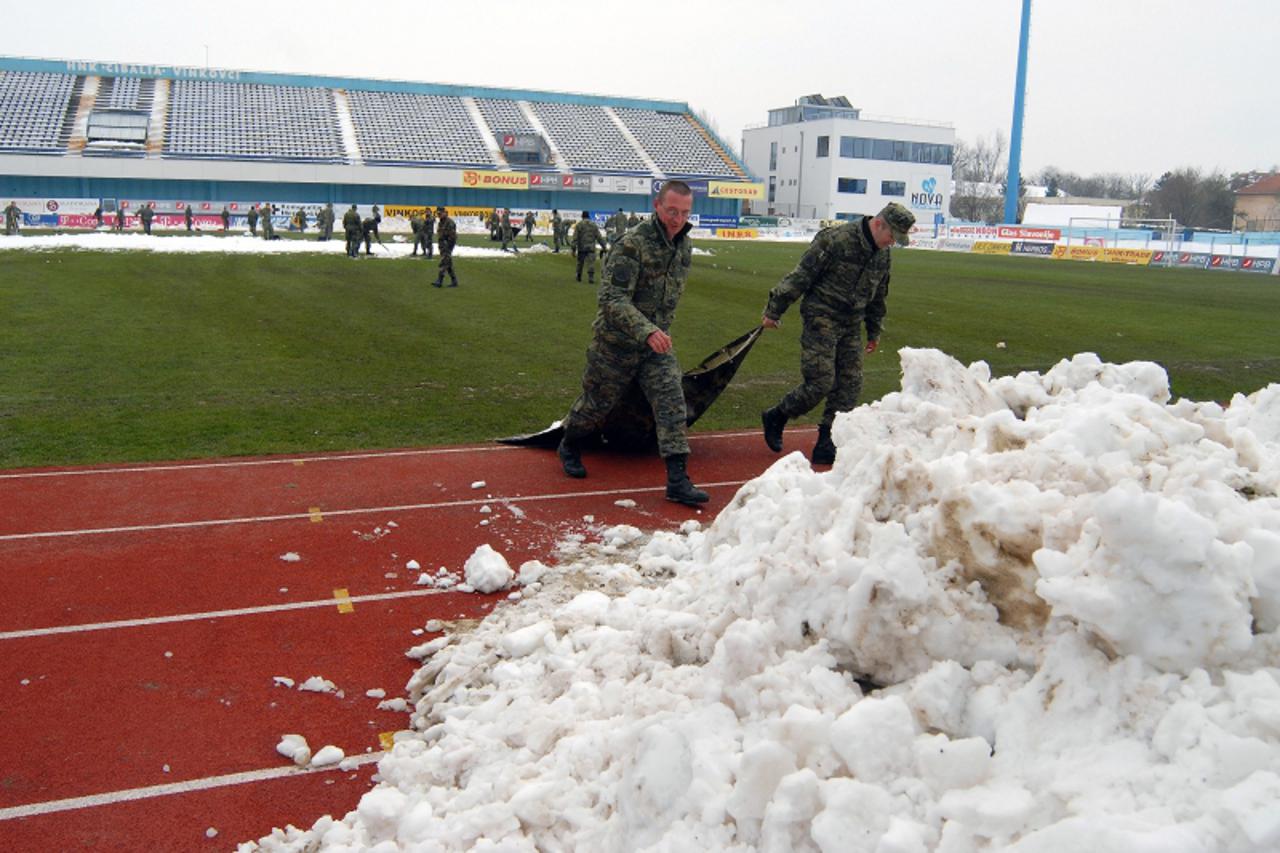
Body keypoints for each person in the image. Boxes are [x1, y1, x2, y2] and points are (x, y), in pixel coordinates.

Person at [556, 180, 708, 507]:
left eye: (684, 212)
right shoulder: (632, 244)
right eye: (671, 211)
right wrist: (646, 330)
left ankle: (677, 479)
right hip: (615, 345)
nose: (678, 218)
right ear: (657, 206)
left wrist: (656, 333)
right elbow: (611, 298)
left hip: (654, 348)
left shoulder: (684, 246)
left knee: (672, 401)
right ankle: (570, 443)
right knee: (596, 406)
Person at [760, 202, 915, 465]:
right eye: (891, 236)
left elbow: (878, 296)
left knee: (849, 385)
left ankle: (826, 441)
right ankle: (778, 415)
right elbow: (801, 275)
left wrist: (874, 330)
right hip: (822, 314)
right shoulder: (837, 240)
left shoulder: (882, 254)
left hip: (851, 322)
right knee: (820, 382)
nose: (892, 243)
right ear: (878, 224)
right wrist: (775, 309)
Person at [571, 211, 607, 283]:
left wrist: (573, 249)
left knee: (580, 263)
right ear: (589, 216)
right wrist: (604, 246)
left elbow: (575, 238)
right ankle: (591, 277)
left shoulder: (579, 225)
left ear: (582, 216)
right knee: (591, 263)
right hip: (591, 247)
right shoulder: (593, 225)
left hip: (582, 247)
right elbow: (599, 237)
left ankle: (579, 276)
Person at [431, 206, 458, 287]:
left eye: (440, 213)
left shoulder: (449, 222)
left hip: (447, 246)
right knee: (448, 263)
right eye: (438, 213)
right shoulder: (441, 222)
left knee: (443, 263)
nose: (439, 215)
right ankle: (454, 281)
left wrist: (448, 247)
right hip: (442, 246)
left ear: (444, 213)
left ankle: (439, 280)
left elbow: (453, 237)